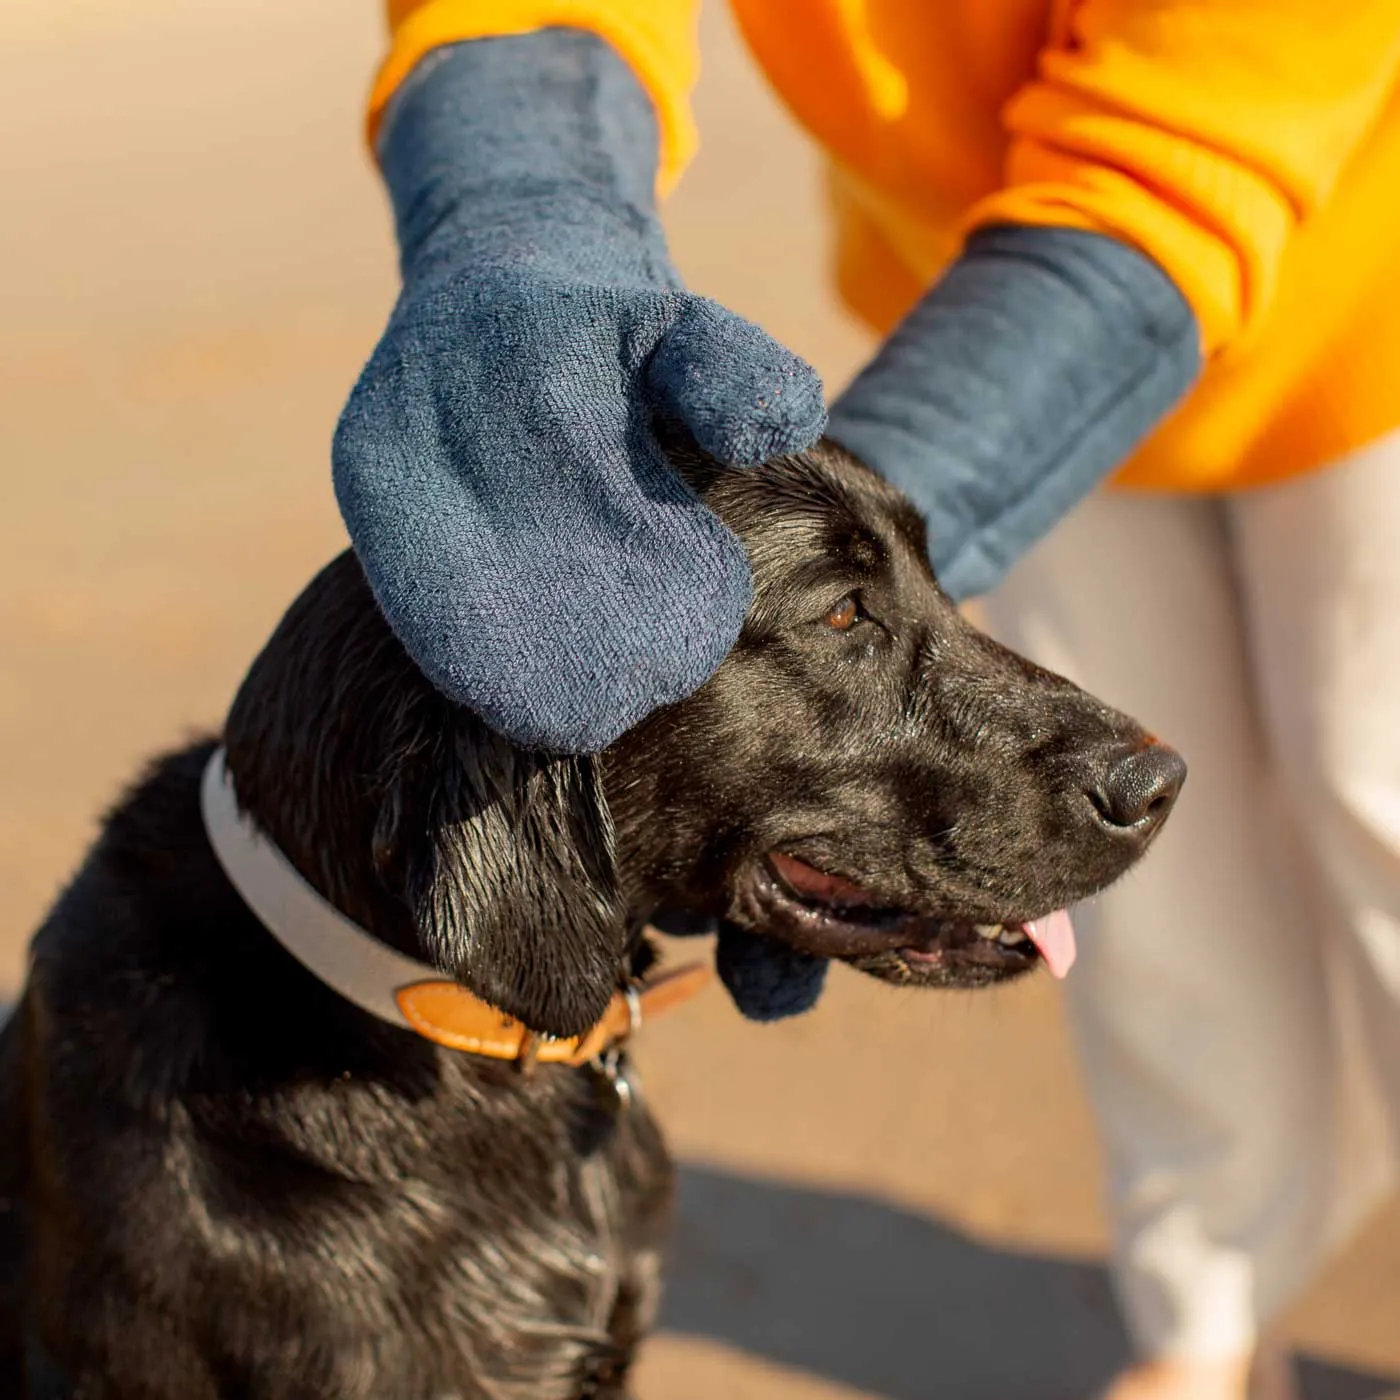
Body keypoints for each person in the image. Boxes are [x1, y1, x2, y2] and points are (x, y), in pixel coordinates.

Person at [333, 5, 1400, 1398]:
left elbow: (1179, 158)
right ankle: (1201, 1321)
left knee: (1374, 797)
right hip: (970, 265)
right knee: (1107, 904)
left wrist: (800, 581)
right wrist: (518, 216)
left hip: (1335, 279)